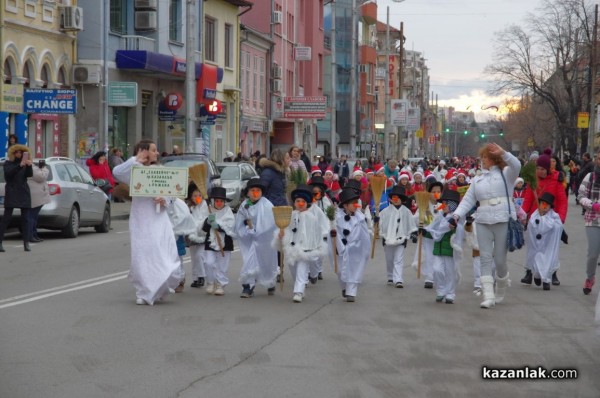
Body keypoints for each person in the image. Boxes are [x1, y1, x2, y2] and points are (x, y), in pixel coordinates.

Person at [112, 139, 183, 305]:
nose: (157, 153)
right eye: (153, 150)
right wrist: (135, 161)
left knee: (160, 251)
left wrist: (163, 199)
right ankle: (144, 291)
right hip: (141, 217)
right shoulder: (134, 169)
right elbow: (116, 172)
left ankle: (160, 287)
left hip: (158, 218)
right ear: (143, 151)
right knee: (142, 254)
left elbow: (172, 194)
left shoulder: (161, 170)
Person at [452, 143, 521, 309]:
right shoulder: (477, 179)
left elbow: (517, 165)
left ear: (494, 159)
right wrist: (457, 214)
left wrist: (503, 152)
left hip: (503, 219)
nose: (483, 160)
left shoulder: (507, 174)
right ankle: (488, 295)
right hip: (483, 220)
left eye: (486, 157)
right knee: (484, 257)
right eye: (482, 157)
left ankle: (501, 287)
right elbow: (469, 199)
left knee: (499, 260)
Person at [520, 148, 567, 286]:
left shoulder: (556, 180)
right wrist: (522, 215)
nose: (539, 171)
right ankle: (530, 272)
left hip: (550, 219)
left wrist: (561, 219)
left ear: (547, 169)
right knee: (533, 246)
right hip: (534, 219)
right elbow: (528, 199)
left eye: (542, 169)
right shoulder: (532, 181)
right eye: (538, 168)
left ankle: (550, 273)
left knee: (548, 248)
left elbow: (562, 201)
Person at [274, 185, 327, 303]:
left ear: (307, 203)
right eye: (298, 201)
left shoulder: (311, 217)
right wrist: (281, 235)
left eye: (303, 201)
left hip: (305, 248)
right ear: (294, 203)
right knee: (293, 269)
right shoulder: (290, 215)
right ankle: (300, 288)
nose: (301, 203)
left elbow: (317, 231)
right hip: (291, 247)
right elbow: (285, 229)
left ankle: (298, 291)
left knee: (302, 269)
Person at [235, 178, 278, 298]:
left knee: (266, 263)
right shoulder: (244, 206)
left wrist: (258, 231)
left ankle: (269, 283)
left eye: (258, 190)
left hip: (264, 241)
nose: (255, 193)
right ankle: (248, 287)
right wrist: (246, 229)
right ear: (248, 192)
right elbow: (238, 225)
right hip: (249, 240)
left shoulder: (267, 205)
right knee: (249, 262)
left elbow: (270, 223)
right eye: (252, 190)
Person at [424, 189, 465, 304]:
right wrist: (424, 231)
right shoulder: (440, 217)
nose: (443, 206)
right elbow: (433, 230)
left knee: (450, 272)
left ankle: (450, 294)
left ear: (453, 205)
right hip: (438, 249)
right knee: (437, 270)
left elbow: (460, 232)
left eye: (446, 204)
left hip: (450, 250)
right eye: (443, 203)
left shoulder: (456, 220)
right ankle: (441, 290)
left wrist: (454, 227)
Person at [332, 188, 371, 302]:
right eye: (353, 203)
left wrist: (363, 249)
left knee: (354, 269)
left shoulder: (360, 218)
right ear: (345, 205)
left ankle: (351, 292)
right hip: (340, 249)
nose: (356, 206)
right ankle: (344, 287)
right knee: (340, 270)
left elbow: (364, 235)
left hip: (355, 249)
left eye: (356, 203)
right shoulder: (336, 218)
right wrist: (338, 243)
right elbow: (335, 233)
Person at [379, 186, 418, 288]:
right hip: (388, 239)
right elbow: (381, 224)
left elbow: (411, 224)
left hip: (401, 238)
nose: (396, 200)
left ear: (402, 199)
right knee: (389, 259)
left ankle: (398, 279)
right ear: (391, 199)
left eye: (398, 198)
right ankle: (390, 276)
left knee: (398, 259)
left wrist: (413, 233)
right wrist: (379, 228)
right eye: (394, 198)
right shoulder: (384, 212)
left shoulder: (406, 212)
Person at [525, 192, 564, 291]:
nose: (544, 206)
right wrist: (539, 221)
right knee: (537, 261)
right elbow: (531, 227)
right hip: (537, 246)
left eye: (547, 204)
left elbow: (557, 227)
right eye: (542, 203)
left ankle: (546, 281)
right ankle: (537, 276)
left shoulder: (554, 216)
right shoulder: (535, 215)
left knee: (548, 261)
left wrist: (546, 221)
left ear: (550, 206)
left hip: (548, 246)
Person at [202, 186, 235, 296]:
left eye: (221, 201)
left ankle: (220, 284)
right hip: (210, 242)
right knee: (209, 262)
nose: (219, 203)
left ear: (224, 202)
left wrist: (219, 225)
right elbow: (203, 228)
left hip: (225, 242)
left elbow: (230, 227)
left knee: (222, 264)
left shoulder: (228, 212)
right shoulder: (209, 210)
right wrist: (208, 222)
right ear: (213, 201)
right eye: (217, 201)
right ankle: (211, 282)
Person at [0, 144, 33, 252]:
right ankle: (0, 242)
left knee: (26, 219)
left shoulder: (24, 164)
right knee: (6, 218)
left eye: (22, 152)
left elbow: (29, 175)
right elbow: (9, 174)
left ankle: (26, 243)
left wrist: (29, 165)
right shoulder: (8, 164)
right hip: (12, 191)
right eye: (17, 152)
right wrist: (19, 165)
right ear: (13, 154)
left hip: (24, 192)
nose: (19, 154)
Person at [577, 151, 600, 295]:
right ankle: (590, 277)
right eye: (599, 158)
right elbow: (580, 195)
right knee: (593, 253)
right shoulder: (591, 176)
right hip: (593, 219)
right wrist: (592, 205)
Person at [186, 183, 209, 288]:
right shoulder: (189, 208)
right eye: (195, 196)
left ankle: (202, 276)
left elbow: (205, 219)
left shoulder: (205, 206)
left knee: (200, 255)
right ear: (191, 196)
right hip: (191, 234)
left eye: (199, 195)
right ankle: (195, 278)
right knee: (194, 257)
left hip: (203, 234)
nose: (197, 198)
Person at [27, 160, 51, 243]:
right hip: (35, 195)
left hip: (35, 195)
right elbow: (41, 177)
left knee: (33, 216)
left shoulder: (32, 167)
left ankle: (33, 234)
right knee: (32, 216)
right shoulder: (32, 167)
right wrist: (44, 168)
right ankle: (31, 235)